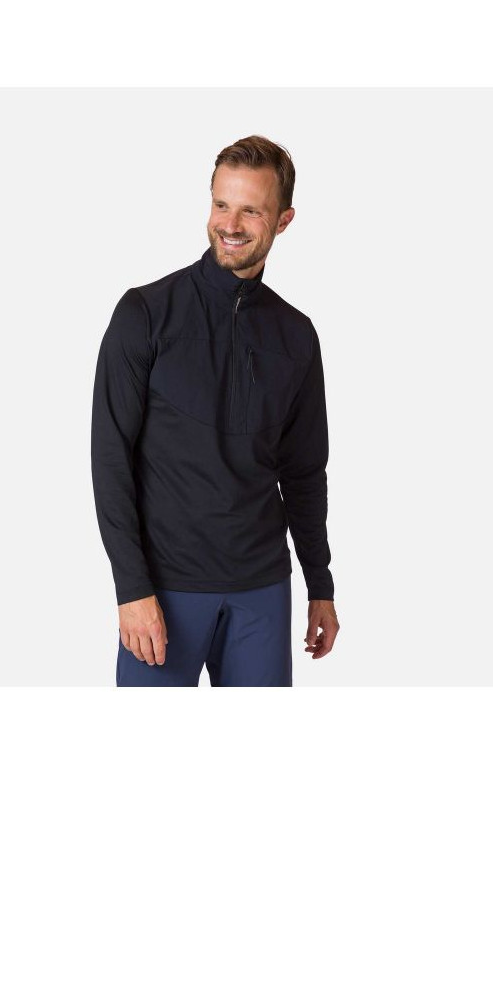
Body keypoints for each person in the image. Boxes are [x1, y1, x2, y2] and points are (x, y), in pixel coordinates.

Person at [90, 135, 341, 686]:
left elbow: (304, 472)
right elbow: (110, 460)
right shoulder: (145, 313)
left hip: (261, 591)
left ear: (283, 220)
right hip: (164, 590)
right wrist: (131, 589)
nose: (231, 224)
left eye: (251, 210)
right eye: (221, 204)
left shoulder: (296, 335)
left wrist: (319, 585)